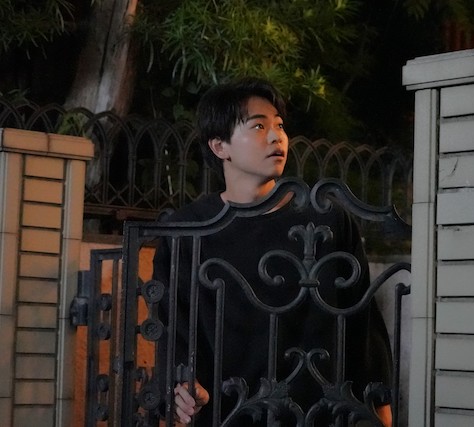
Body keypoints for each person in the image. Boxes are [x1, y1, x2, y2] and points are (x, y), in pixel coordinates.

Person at [153, 78, 392, 426]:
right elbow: (171, 325)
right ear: (220, 146)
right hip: (227, 413)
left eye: (279, 125)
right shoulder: (188, 229)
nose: (276, 137)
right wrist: (180, 387)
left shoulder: (326, 219)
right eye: (258, 126)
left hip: (320, 412)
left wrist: (379, 406)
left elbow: (362, 322)